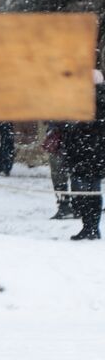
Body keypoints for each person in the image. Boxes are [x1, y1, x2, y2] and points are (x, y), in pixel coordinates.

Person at [59, 69, 105, 241]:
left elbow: (77, 126)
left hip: (82, 153)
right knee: (94, 191)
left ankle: (89, 227)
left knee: (83, 191)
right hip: (96, 154)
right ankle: (92, 227)